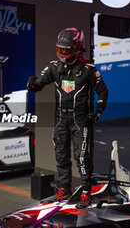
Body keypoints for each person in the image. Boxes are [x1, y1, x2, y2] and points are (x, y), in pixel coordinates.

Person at [27, 28, 108, 209]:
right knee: (60, 155)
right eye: (60, 50)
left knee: (81, 156)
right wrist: (32, 86)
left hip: (80, 119)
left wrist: (97, 112)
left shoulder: (88, 70)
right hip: (60, 117)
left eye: (66, 50)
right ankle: (64, 189)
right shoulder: (54, 67)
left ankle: (87, 191)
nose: (63, 54)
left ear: (77, 48)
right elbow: (39, 84)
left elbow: (103, 91)